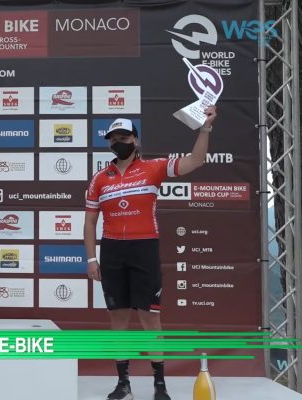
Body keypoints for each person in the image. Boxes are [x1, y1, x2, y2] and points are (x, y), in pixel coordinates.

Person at [84, 106, 217, 400]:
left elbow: (195, 161)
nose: (118, 142)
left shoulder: (153, 168)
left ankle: (160, 385)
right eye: (113, 138)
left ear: (135, 140)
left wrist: (205, 128)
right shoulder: (99, 178)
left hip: (144, 248)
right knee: (118, 321)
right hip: (112, 251)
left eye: (124, 137)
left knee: (150, 320)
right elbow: (90, 222)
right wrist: (92, 259)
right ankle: (123, 385)